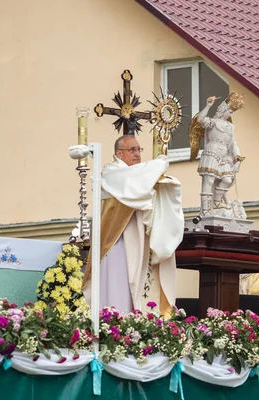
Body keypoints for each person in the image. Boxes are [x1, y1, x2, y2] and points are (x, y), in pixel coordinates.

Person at [75, 135, 184, 316]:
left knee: (139, 287)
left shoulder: (138, 175)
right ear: (119, 153)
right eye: (132, 150)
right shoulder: (112, 172)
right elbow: (136, 182)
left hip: (141, 241)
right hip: (116, 241)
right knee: (118, 286)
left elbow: (144, 183)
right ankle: (113, 326)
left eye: (139, 150)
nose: (137, 154)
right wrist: (159, 163)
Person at [196, 93, 245, 216]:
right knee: (209, 181)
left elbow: (233, 144)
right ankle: (206, 209)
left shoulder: (230, 127)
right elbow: (200, 119)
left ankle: (217, 202)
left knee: (227, 179)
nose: (231, 114)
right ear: (223, 110)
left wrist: (237, 158)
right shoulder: (213, 122)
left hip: (223, 157)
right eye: (230, 111)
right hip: (212, 153)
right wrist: (208, 106)